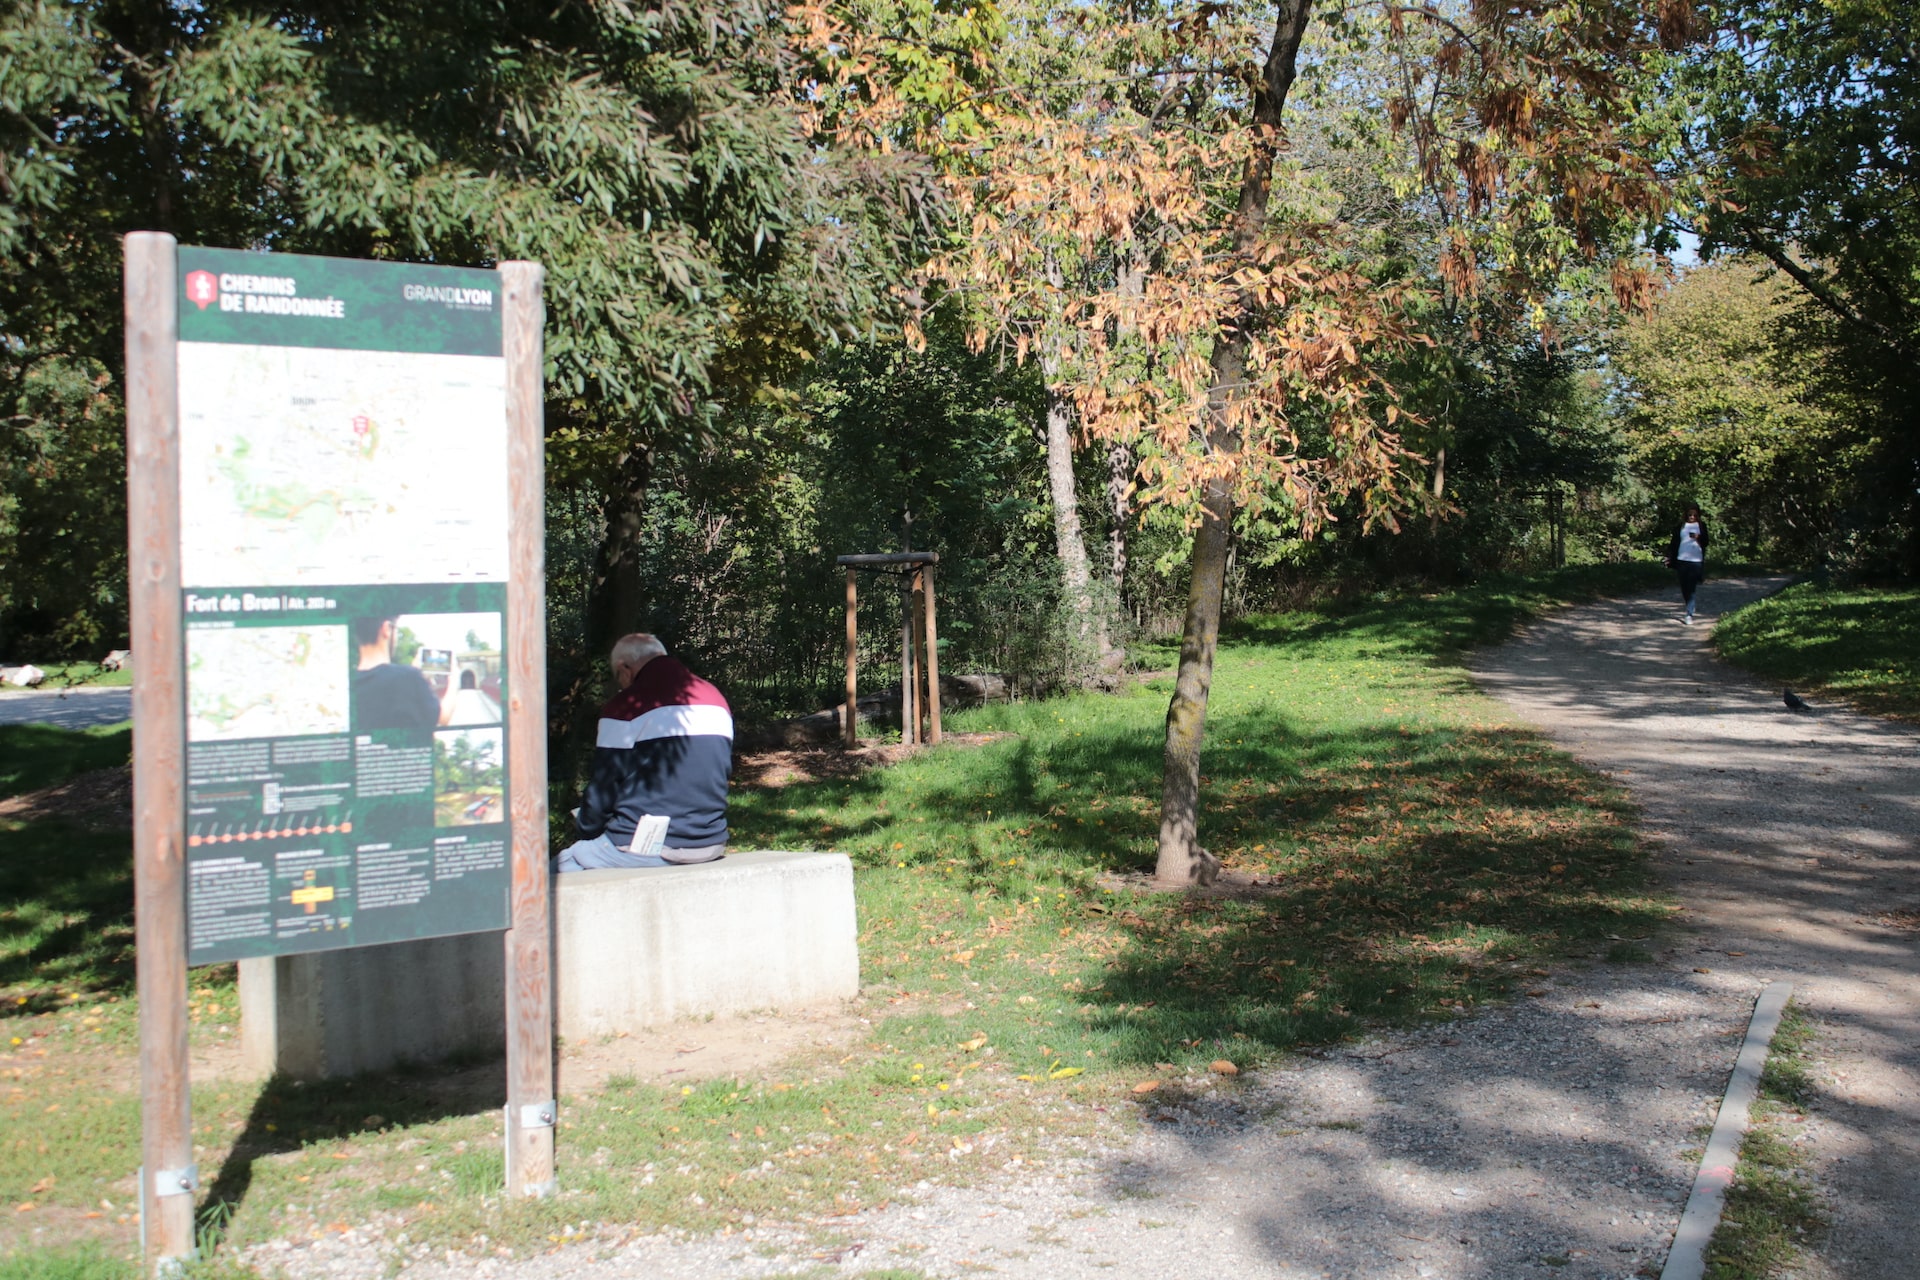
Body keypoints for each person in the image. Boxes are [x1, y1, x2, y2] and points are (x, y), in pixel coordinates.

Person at [553, 633, 733, 871]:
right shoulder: (715, 698)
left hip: (646, 847)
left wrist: (586, 827)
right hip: (710, 842)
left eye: (619, 677)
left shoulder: (627, 706)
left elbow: (603, 789)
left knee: (548, 878)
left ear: (624, 668)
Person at [351, 616, 452, 728]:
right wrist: (454, 679)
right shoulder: (408, 678)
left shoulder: (347, 686)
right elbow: (443, 718)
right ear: (386, 629)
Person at [1664, 505, 1710, 625]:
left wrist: (1698, 537)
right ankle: (1690, 604)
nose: (1692, 517)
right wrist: (1668, 556)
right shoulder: (1681, 527)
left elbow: (1706, 542)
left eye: (1694, 515)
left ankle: (1689, 613)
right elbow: (1674, 543)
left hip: (1696, 560)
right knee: (1684, 587)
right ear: (1686, 515)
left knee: (1692, 586)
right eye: (1690, 514)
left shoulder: (1701, 526)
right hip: (1681, 559)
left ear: (1698, 516)